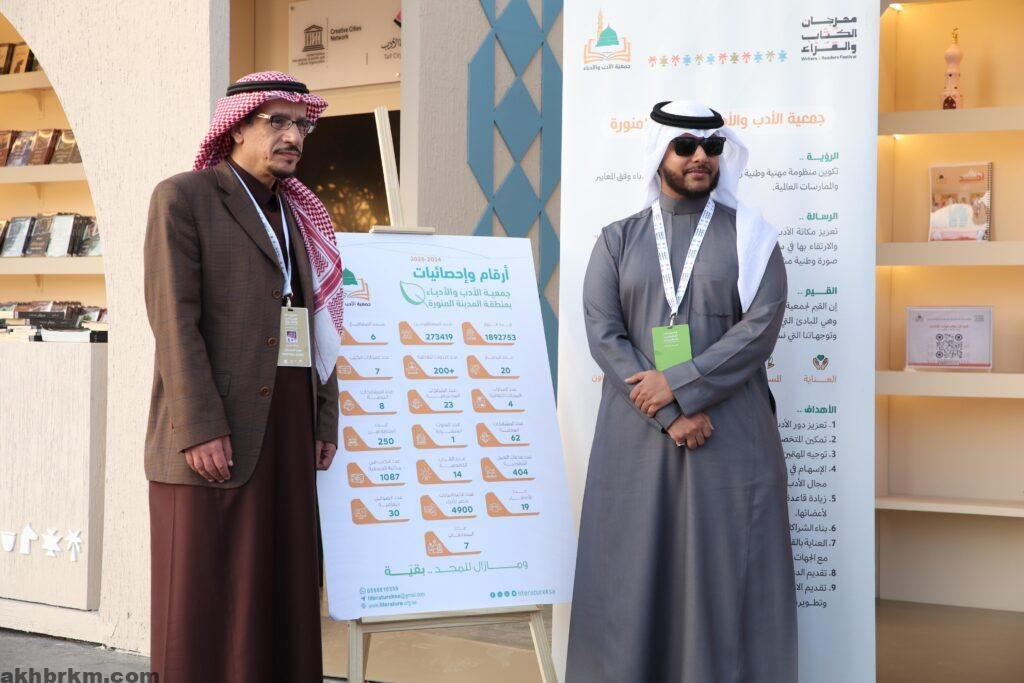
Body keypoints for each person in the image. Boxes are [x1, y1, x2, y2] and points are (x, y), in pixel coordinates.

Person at [566, 100, 796, 682]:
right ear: (658, 153)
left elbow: (760, 328)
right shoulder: (616, 241)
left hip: (730, 437)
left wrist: (679, 383)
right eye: (686, 146)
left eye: (712, 147)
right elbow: (603, 334)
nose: (701, 158)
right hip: (638, 438)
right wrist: (670, 410)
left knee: (727, 577)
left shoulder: (752, 237)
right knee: (633, 575)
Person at [143, 71, 345, 682]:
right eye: (276, 121)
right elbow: (174, 321)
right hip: (216, 430)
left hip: (288, 427)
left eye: (301, 125)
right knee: (205, 600)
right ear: (234, 128)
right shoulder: (184, 198)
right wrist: (200, 426)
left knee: (283, 587)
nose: (294, 137)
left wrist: (322, 418)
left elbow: (318, 324)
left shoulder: (298, 213)